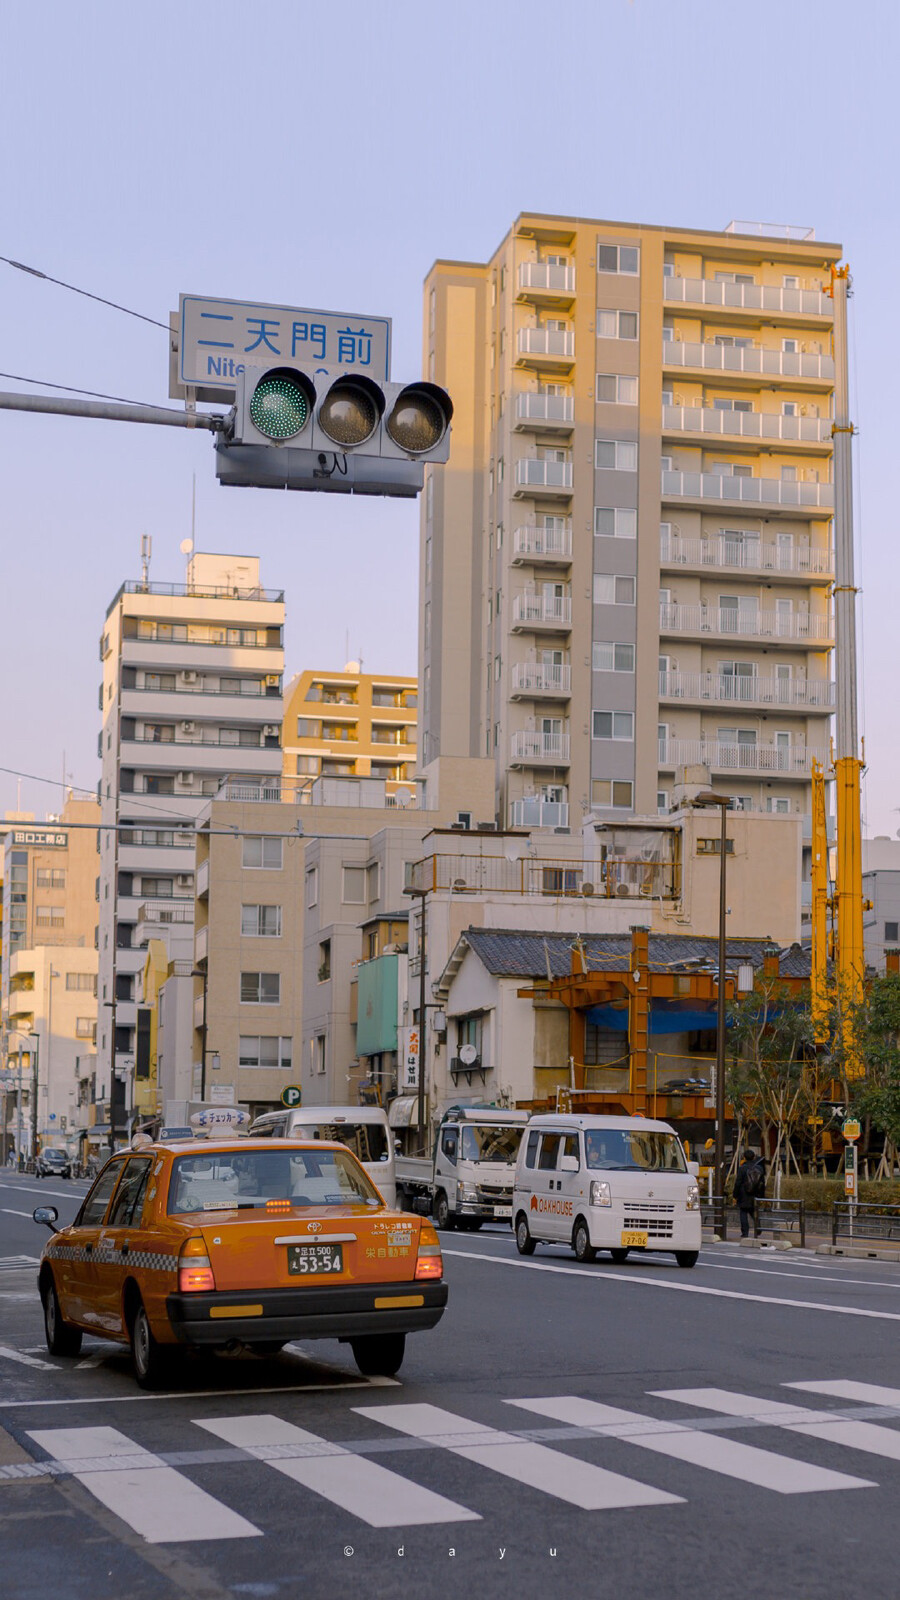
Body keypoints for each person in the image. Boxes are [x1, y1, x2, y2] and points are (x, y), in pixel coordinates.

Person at [733, 1148, 764, 1237]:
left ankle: (745, 1233)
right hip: (755, 1194)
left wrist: (735, 1195)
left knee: (743, 1213)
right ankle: (758, 1228)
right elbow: (762, 1183)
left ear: (744, 1158)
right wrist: (762, 1196)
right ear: (754, 1157)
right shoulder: (759, 1168)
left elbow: (738, 1183)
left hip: (743, 1194)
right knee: (754, 1212)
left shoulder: (742, 1168)